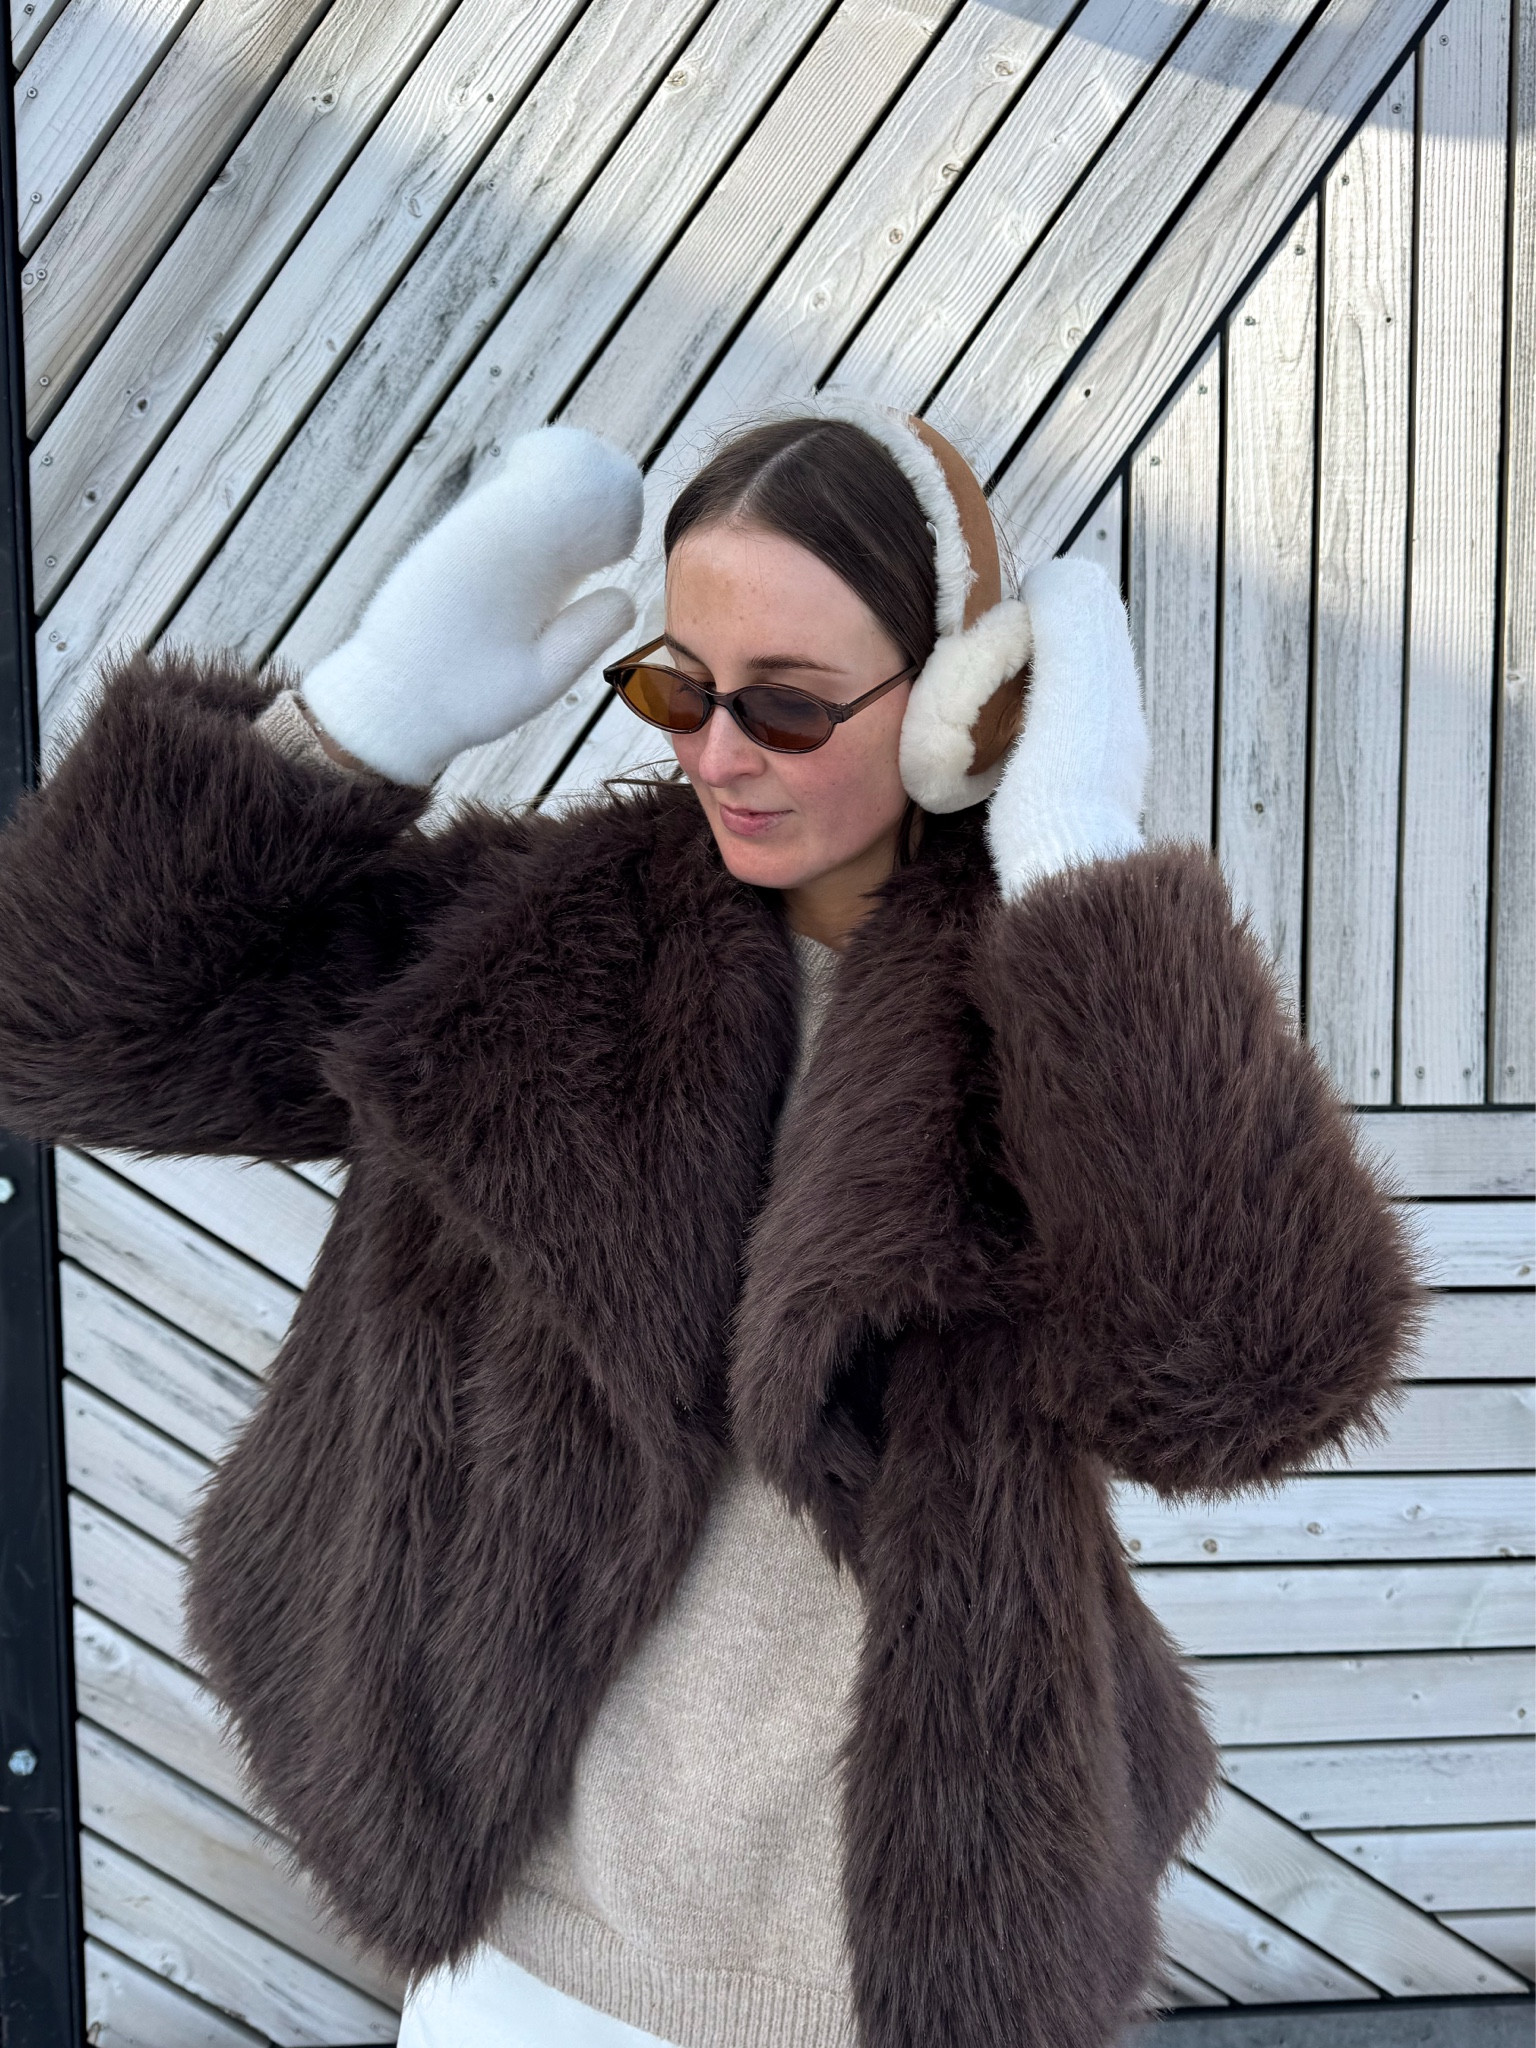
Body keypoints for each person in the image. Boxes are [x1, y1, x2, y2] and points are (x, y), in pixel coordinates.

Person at [0, 404, 1428, 2048]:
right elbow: (76, 1034)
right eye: (679, 686)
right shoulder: (535, 947)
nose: (717, 753)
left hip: (891, 1968)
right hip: (518, 1937)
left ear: (968, 703)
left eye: (791, 706)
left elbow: (1247, 1379)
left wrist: (1088, 880)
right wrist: (369, 712)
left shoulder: (1069, 1028)